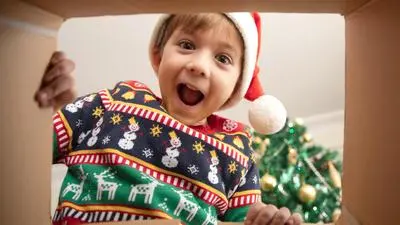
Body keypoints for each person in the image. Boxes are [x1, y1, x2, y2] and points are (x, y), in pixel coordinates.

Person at [34, 12, 302, 225]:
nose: (199, 65)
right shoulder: (113, 103)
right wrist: (36, 97)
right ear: (158, 55)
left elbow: (244, 221)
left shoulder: (238, 153)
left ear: (236, 87)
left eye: (222, 58)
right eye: (187, 45)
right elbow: (24, 148)